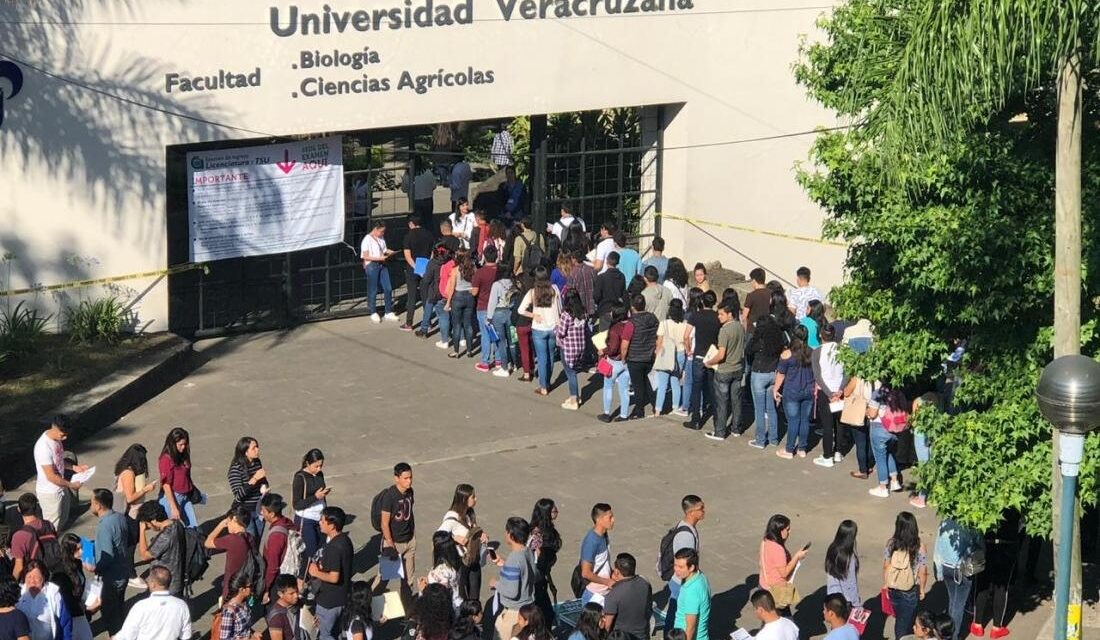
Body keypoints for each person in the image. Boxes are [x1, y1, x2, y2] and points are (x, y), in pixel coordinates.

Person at [973, 511, 1020, 639]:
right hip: (1008, 545)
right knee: (1002, 587)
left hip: (987, 543)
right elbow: (1021, 526)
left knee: (982, 584)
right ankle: (996, 627)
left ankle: (977, 624)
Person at [933, 517, 983, 640]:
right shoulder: (970, 523)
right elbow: (979, 545)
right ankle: (953, 636)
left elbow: (937, 547)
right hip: (962, 569)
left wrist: (938, 570)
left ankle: (946, 631)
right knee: (958, 605)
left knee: (952, 600)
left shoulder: (944, 522)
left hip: (946, 567)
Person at [661, 496, 704, 639]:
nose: (704, 511)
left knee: (674, 610)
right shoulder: (685, 535)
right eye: (700, 509)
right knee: (675, 613)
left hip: (679, 579)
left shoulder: (685, 526)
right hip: (680, 581)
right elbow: (683, 561)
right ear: (691, 512)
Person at [89, 488, 129, 637]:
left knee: (113, 620)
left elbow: (107, 556)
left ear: (98, 505)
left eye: (92, 502)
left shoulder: (104, 526)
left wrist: (93, 567)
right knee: (119, 611)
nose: (90, 505)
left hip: (111, 579)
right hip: (122, 572)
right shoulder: (120, 517)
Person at [883, 511, 928, 639]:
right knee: (904, 624)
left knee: (900, 618)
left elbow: (886, 566)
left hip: (893, 588)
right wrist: (923, 589)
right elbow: (922, 571)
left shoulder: (891, 544)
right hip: (910, 591)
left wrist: (886, 584)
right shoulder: (919, 547)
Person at [113, 566, 192, 640]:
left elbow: (127, 635)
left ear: (153, 584)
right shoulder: (181, 605)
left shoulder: (141, 606)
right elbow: (186, 635)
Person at [33, 415, 83, 530]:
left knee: (63, 520)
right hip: (50, 493)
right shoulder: (43, 447)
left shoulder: (56, 440)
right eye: (62, 435)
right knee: (51, 527)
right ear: (54, 428)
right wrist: (71, 485)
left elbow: (58, 460)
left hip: (61, 488)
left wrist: (74, 467)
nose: (65, 438)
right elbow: (50, 476)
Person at [311, 507, 353, 640]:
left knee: (325, 634)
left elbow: (334, 577)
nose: (320, 523)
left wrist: (316, 572)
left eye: (323, 521)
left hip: (329, 600)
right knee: (337, 632)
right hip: (342, 597)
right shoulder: (345, 541)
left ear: (332, 525)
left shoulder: (333, 547)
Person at [773, 325, 815, 458]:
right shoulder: (812, 352)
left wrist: (775, 389)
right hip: (808, 389)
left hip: (792, 390)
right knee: (804, 420)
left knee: (793, 420)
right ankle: (802, 448)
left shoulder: (787, 354)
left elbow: (781, 374)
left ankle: (789, 449)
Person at [491, 517, 537, 640]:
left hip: (513, 613)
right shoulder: (527, 552)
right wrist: (504, 564)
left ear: (511, 535)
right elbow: (526, 573)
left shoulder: (513, 559)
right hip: (527, 610)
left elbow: (511, 592)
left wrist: (496, 584)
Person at [705, 300, 744, 440]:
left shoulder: (724, 331)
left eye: (721, 314)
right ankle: (736, 428)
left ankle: (720, 431)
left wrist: (709, 362)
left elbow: (721, 355)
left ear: (729, 314)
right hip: (738, 368)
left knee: (722, 402)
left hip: (724, 370)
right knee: (736, 400)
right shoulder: (740, 327)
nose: (719, 317)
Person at [518, 267, 560, 396]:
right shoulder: (555, 290)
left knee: (542, 358)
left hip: (539, 328)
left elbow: (520, 310)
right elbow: (560, 308)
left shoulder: (532, 292)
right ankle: (547, 382)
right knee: (551, 356)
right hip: (553, 327)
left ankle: (543, 387)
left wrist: (533, 315)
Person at [438, 484, 484, 601]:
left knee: (474, 595)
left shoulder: (469, 513)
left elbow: (472, 529)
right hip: (461, 562)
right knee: (462, 595)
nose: (476, 499)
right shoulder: (451, 517)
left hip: (473, 560)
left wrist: (480, 535)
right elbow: (438, 537)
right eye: (473, 497)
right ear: (464, 499)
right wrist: (453, 537)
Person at [682, 290, 719, 431]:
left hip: (698, 355)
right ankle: (717, 420)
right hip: (712, 355)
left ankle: (696, 419)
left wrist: (688, 349)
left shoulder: (695, 315)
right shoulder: (717, 317)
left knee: (696, 387)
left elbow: (686, 336)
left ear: (702, 301)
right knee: (713, 388)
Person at [376, 463, 416, 590]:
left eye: (410, 477)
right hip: (394, 542)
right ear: (396, 478)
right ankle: (370, 601)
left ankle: (407, 606)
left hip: (409, 541)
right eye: (405, 478)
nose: (409, 481)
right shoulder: (390, 497)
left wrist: (413, 536)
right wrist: (390, 543)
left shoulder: (410, 492)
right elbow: (384, 523)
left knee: (409, 580)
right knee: (383, 578)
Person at [812, 324, 847, 467]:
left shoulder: (817, 352)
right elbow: (848, 372)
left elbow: (817, 376)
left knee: (827, 425)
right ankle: (838, 451)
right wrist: (840, 390)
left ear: (821, 335)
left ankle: (827, 456)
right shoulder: (843, 350)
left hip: (825, 392)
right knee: (840, 422)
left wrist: (829, 393)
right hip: (839, 391)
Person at [203, 506, 254, 602]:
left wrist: (220, 525)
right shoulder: (250, 538)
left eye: (228, 522)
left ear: (234, 519)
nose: (227, 526)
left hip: (231, 587)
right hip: (245, 584)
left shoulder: (232, 540)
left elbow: (207, 543)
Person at [758, 514, 809, 608]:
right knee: (785, 620)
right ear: (780, 531)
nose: (790, 531)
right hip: (776, 591)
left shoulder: (765, 541)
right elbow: (784, 573)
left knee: (769, 619)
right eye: (787, 529)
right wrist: (797, 557)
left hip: (764, 584)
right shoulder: (777, 549)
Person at [135, 502, 186, 596]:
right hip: (178, 578)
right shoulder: (177, 524)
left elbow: (144, 556)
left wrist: (141, 531)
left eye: (148, 524)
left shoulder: (165, 537)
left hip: (166, 584)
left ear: (153, 520)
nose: (149, 527)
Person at [158, 427, 204, 528]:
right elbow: (166, 485)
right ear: (172, 444)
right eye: (180, 445)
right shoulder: (166, 459)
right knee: (173, 530)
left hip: (185, 496)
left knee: (193, 526)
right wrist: (173, 507)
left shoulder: (182, 455)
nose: (183, 447)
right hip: (173, 497)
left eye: (185, 444)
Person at [868, 386, 909, 497]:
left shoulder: (879, 393)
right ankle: (894, 481)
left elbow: (872, 414)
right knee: (889, 453)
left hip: (879, 428)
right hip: (895, 429)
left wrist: (867, 410)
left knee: (880, 457)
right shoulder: (899, 392)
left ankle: (883, 487)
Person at [600, 554, 651, 640]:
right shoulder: (645, 583)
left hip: (623, 637)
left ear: (616, 572)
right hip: (643, 635)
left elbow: (607, 626)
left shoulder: (613, 594)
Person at [623, 295, 659, 419]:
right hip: (649, 356)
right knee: (649, 383)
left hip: (635, 358)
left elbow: (625, 343)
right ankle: (656, 406)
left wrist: (623, 357)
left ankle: (639, 411)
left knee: (638, 386)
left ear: (632, 307)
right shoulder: (653, 318)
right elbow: (658, 335)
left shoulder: (631, 323)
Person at [292, 449, 329, 565]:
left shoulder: (320, 474)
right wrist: (315, 497)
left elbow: (321, 495)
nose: (319, 469)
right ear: (308, 464)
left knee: (322, 548)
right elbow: (297, 504)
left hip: (320, 517)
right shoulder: (300, 478)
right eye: (316, 466)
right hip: (306, 519)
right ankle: (308, 575)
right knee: (311, 551)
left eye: (321, 466)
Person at [16, 561, 70, 640]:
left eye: (36, 577)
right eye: (29, 577)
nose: (32, 581)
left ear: (43, 577)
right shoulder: (18, 594)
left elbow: (65, 622)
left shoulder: (53, 593)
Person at [597, 302, 632, 423]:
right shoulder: (631, 325)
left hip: (614, 361)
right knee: (624, 388)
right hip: (627, 361)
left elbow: (613, 348)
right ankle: (624, 414)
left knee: (608, 386)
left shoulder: (614, 329)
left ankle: (607, 413)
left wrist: (603, 351)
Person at [527, 499, 561, 627]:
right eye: (554, 511)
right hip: (535, 582)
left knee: (546, 615)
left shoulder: (548, 530)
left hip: (541, 579)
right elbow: (536, 561)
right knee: (543, 616)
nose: (557, 512)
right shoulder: (537, 535)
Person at [227, 436, 268, 539]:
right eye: (254, 448)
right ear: (245, 452)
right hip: (245, 513)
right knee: (250, 542)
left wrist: (265, 487)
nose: (257, 450)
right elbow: (239, 495)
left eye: (257, 447)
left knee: (257, 541)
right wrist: (254, 479)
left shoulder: (256, 462)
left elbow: (263, 481)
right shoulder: (236, 469)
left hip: (259, 510)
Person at [259, 493, 297, 600]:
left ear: (272, 514)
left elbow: (273, 567)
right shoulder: (286, 522)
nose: (262, 513)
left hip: (278, 581)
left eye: (264, 511)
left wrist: (266, 588)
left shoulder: (276, 536)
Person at [653, 299, 688, 416]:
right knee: (675, 382)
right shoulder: (685, 324)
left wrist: (657, 355)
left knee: (662, 384)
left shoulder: (664, 323)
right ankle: (675, 407)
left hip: (666, 354)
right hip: (680, 353)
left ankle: (658, 410)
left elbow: (659, 342)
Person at [8, 495, 55, 581]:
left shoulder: (19, 536)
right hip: (51, 571)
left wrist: (12, 584)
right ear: (36, 507)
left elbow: (19, 567)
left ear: (19, 509)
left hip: (33, 578)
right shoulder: (49, 525)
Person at [402, 214, 436, 332]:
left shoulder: (408, 236)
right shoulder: (429, 234)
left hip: (413, 268)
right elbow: (433, 252)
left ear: (411, 224)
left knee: (411, 296)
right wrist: (426, 266)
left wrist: (416, 267)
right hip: (425, 266)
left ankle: (409, 323)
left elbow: (408, 256)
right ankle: (428, 322)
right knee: (425, 295)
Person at [55, 534, 92, 640]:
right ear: (70, 551)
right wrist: (86, 607)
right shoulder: (61, 573)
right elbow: (66, 599)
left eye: (81, 548)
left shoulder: (77, 563)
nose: (82, 552)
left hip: (80, 614)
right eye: (78, 549)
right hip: (71, 616)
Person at [361, 221, 400, 323]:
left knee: (388, 287)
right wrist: (379, 258)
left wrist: (389, 252)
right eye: (381, 231)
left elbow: (383, 249)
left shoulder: (381, 238)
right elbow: (365, 256)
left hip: (382, 264)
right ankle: (373, 311)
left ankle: (388, 311)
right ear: (375, 229)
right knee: (373, 289)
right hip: (372, 265)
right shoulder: (367, 240)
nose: (383, 234)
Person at [556, 289, 588, 410]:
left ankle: (574, 399)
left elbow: (561, 332)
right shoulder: (583, 312)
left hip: (568, 347)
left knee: (570, 373)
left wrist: (555, 328)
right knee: (573, 370)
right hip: (580, 346)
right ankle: (575, 395)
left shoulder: (566, 314)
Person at [473, 245, 502, 372]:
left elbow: (474, 292)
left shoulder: (480, 273)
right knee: (497, 334)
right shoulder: (501, 271)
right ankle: (499, 360)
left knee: (485, 335)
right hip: (499, 306)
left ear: (484, 256)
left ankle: (485, 362)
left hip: (483, 306)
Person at [579, 504, 614, 606]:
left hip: (605, 592)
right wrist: (607, 582)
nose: (613, 520)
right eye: (610, 517)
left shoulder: (604, 536)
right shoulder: (591, 541)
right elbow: (585, 573)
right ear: (599, 519)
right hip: (594, 596)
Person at [486, 263, 517, 377]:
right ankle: (514, 363)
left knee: (501, 342)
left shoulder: (496, 285)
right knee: (513, 340)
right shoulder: (514, 282)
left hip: (499, 313)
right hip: (511, 313)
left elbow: (492, 302)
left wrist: (489, 318)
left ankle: (504, 367)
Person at [446, 249, 478, 359]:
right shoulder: (473, 268)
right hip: (470, 296)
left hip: (458, 297)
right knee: (468, 324)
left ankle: (456, 351)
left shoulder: (455, 270)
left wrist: (448, 302)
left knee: (457, 325)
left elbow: (451, 288)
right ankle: (469, 350)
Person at [671, 549, 709, 640]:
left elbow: (690, 628)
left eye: (680, 567)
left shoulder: (691, 592)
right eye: (675, 565)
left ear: (691, 567)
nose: (676, 569)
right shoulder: (700, 576)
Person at [422, 244, 454, 343]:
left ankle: (424, 328)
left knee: (429, 307)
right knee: (446, 314)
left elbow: (427, 279)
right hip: (446, 289)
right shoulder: (449, 262)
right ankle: (448, 332)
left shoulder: (432, 263)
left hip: (433, 289)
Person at [114, 443, 154, 521]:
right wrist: (145, 489)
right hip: (129, 514)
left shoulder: (128, 470)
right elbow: (130, 498)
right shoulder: (128, 473)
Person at [824, 520, 860, 608]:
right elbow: (851, 584)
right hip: (846, 601)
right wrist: (857, 604)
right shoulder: (849, 557)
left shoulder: (832, 548)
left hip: (833, 598)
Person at [216, 572, 256, 640]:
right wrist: (248, 638)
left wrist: (253, 633)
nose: (252, 588)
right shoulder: (229, 612)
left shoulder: (243, 603)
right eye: (250, 586)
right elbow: (224, 638)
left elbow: (243, 627)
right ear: (242, 590)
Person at [593, 252, 626, 332]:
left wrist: (598, 303)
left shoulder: (602, 277)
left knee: (604, 338)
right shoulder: (621, 276)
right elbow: (623, 293)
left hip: (605, 309)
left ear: (607, 261)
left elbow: (596, 295)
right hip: (617, 310)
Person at [264, 574, 302, 640]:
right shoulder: (277, 617)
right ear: (280, 594)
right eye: (291, 593)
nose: (296, 596)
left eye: (297, 591)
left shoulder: (295, 603)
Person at [404, 159, 436, 229]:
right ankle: (429, 236)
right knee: (428, 221)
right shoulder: (428, 172)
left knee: (417, 222)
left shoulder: (408, 175)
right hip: (428, 200)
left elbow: (404, 189)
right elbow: (434, 186)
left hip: (415, 201)